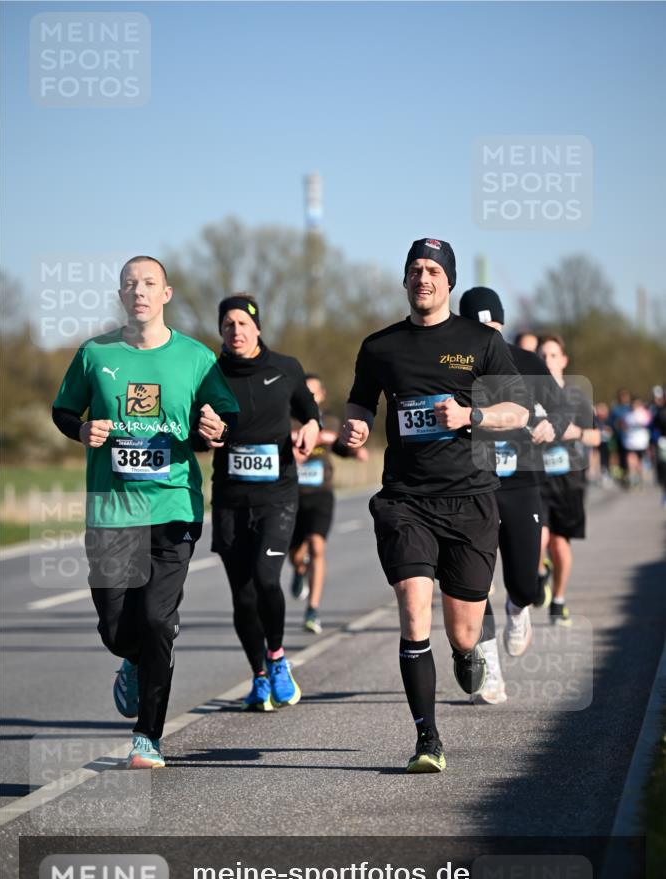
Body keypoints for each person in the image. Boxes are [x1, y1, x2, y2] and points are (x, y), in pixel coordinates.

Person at [341, 238, 528, 773]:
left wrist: (470, 417)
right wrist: (354, 424)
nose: (424, 278)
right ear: (405, 280)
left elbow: (516, 407)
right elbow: (361, 400)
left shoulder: (480, 341)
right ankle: (428, 739)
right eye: (415, 270)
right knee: (413, 607)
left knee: (464, 631)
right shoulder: (379, 347)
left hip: (470, 499)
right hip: (405, 501)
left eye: (433, 271)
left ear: (449, 280)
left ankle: (467, 654)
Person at [52, 256, 239, 769]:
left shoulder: (196, 358)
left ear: (166, 294)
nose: (139, 291)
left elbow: (226, 416)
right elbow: (64, 409)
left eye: (149, 283)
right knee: (116, 627)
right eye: (130, 284)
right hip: (112, 510)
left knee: (158, 620)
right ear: (121, 294)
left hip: (174, 505)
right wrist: (80, 430)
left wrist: (215, 428)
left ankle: (147, 737)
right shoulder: (95, 354)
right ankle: (131, 661)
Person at [458, 288, 569, 704]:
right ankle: (489, 669)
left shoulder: (527, 362)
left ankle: (518, 610)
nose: (487, 333)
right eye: (478, 327)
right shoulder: (455, 365)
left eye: (492, 326)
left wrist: (552, 427)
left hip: (522, 482)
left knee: (525, 582)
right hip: (473, 485)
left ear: (502, 325)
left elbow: (562, 408)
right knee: (474, 583)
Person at [210, 294, 320, 711]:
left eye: (242, 323)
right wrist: (205, 435)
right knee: (242, 595)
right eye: (227, 325)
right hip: (230, 498)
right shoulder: (210, 372)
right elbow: (196, 433)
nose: (235, 331)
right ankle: (257, 675)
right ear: (220, 331)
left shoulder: (286, 368)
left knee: (266, 577)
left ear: (257, 327)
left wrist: (310, 428)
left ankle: (276, 658)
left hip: (277, 496)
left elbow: (310, 413)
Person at [289, 374, 369, 634]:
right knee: (296, 554)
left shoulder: (331, 419)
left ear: (322, 395)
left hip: (320, 494)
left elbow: (339, 443)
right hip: (291, 495)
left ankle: (313, 609)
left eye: (314, 393)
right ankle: (300, 570)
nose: (310, 398)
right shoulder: (286, 418)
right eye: (305, 393)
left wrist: (354, 450)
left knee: (317, 545)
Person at [537, 335, 600, 625]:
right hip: (537, 479)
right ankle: (539, 573)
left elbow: (597, 436)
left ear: (563, 360)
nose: (547, 361)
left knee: (560, 546)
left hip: (569, 480)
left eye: (552, 355)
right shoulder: (528, 395)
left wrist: (572, 432)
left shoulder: (577, 398)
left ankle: (558, 599)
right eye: (542, 356)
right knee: (539, 539)